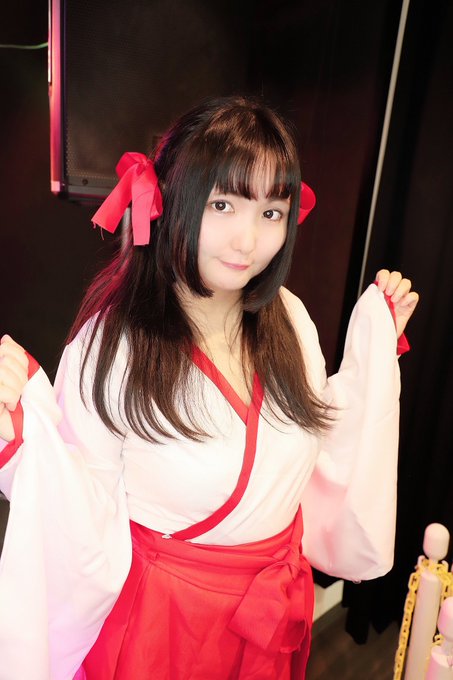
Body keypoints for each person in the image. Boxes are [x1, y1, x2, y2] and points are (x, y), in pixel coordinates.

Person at [0, 96, 418, 680]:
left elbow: (312, 444)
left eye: (271, 212)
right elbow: (76, 506)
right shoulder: (112, 347)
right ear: (174, 199)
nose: (248, 241)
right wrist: (22, 436)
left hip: (272, 609)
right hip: (164, 625)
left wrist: (374, 349)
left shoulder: (289, 318)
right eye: (223, 205)